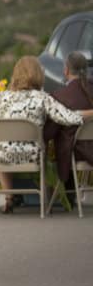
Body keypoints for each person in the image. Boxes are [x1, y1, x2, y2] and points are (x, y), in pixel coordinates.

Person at [0, 56, 84, 213]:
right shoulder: (43, 98)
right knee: (43, 147)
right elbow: (69, 118)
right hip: (32, 155)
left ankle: (9, 198)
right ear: (39, 74)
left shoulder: (1, 97)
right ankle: (46, 201)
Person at [43, 51, 93, 193]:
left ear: (66, 70)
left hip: (77, 152)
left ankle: (67, 194)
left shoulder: (60, 96)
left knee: (63, 141)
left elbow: (49, 133)